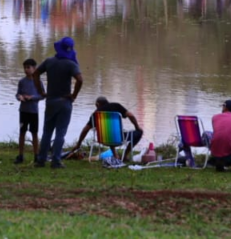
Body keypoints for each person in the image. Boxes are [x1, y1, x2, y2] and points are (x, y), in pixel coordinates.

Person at [33, 37, 83, 169]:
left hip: (51, 101)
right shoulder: (71, 64)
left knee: (47, 132)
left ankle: (41, 160)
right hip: (65, 102)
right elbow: (80, 80)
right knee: (60, 132)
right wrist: (73, 95)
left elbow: (36, 74)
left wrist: (41, 92)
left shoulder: (50, 61)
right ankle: (56, 161)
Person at [72, 97, 144, 162]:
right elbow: (131, 115)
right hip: (119, 138)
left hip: (103, 139)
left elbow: (85, 130)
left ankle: (115, 155)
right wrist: (137, 127)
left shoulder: (95, 114)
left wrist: (78, 144)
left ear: (97, 104)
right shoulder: (116, 106)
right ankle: (124, 156)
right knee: (139, 132)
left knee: (108, 132)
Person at [15, 58, 44, 164]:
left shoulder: (38, 82)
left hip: (33, 111)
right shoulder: (22, 82)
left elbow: (42, 95)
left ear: (34, 68)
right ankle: (20, 155)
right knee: (22, 132)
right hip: (23, 111)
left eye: (28, 67)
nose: (26, 70)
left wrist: (32, 97)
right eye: (25, 68)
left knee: (34, 133)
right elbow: (17, 94)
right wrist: (20, 97)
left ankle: (36, 155)